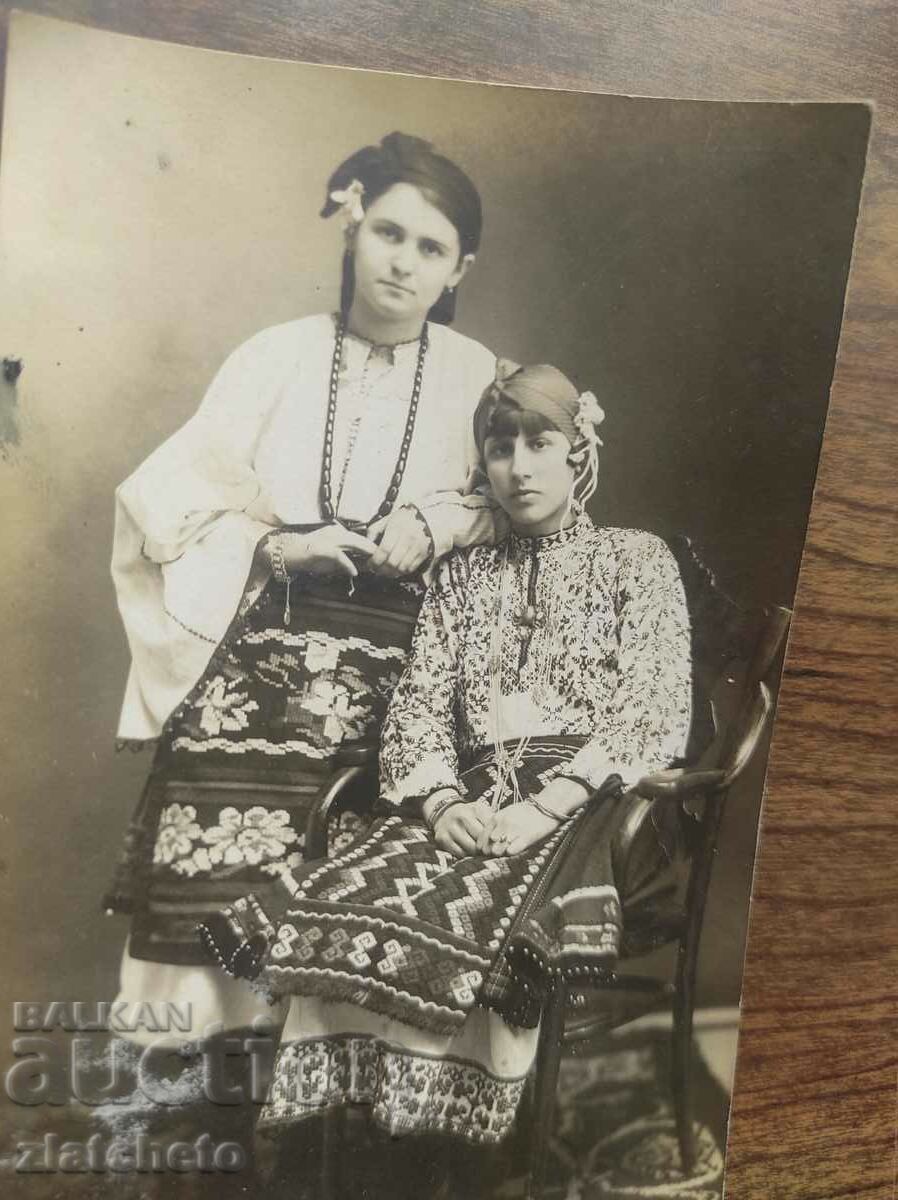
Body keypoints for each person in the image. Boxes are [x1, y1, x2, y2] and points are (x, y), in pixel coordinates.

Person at [199, 361, 693, 1194]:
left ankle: (468, 1158)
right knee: (342, 898)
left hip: (599, 802)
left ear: (580, 452)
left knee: (488, 922)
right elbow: (421, 705)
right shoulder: (462, 578)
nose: (520, 468)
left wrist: (550, 804)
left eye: (541, 444)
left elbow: (651, 706)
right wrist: (439, 800)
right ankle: (363, 1152)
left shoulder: (633, 559)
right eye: (501, 449)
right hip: (470, 801)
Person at [101, 132, 502, 1060]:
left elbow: (526, 512)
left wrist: (439, 524)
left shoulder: (478, 375)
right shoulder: (272, 357)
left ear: (458, 269)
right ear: (353, 227)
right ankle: (201, 1054)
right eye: (390, 233)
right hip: (268, 631)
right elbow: (165, 505)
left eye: (430, 249)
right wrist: (283, 544)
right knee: (215, 749)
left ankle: (339, 1064)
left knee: (387, 782)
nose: (403, 262)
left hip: (409, 653)